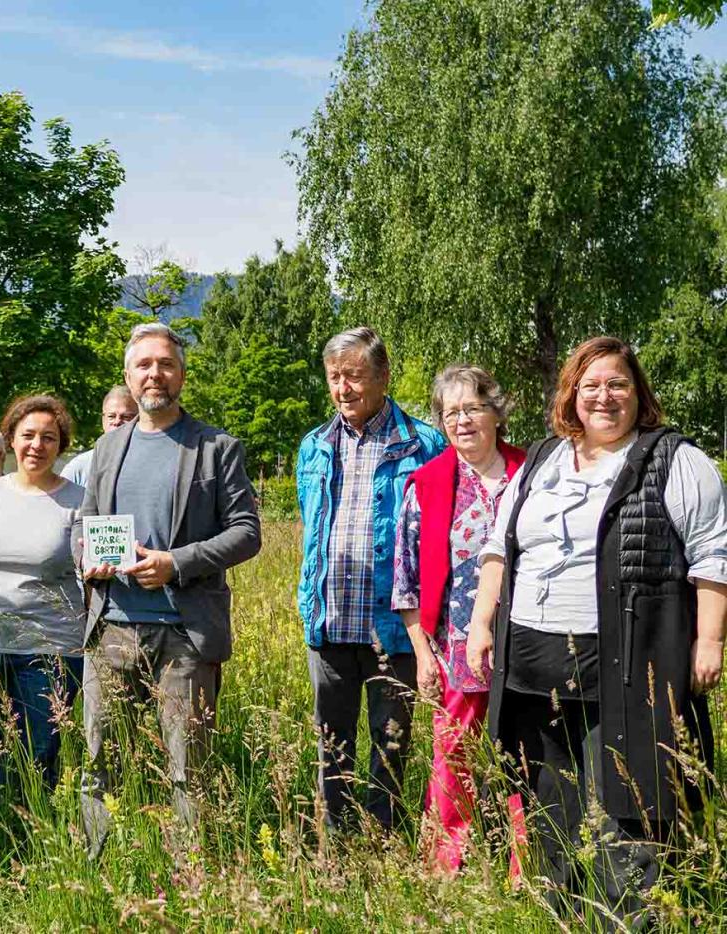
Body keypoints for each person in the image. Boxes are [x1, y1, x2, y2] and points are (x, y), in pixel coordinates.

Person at [466, 337, 726, 922]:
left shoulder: (675, 459)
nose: (604, 397)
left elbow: (714, 555)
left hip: (624, 661)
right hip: (531, 658)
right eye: (591, 386)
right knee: (547, 803)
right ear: (571, 396)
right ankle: (561, 912)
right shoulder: (543, 459)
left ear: (638, 393)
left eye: (618, 384)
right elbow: (499, 548)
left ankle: (635, 918)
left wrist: (708, 640)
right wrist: (482, 623)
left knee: (627, 802)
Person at [76, 322, 261, 856]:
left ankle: (190, 875)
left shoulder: (216, 447)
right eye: (143, 365)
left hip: (184, 635)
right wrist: (86, 558)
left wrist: (175, 563)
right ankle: (99, 864)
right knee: (98, 762)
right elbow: (83, 524)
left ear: (181, 374)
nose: (154, 374)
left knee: (188, 768)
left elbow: (247, 532)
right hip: (111, 626)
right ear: (128, 376)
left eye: (166, 364)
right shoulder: (108, 447)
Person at [295, 326, 445, 832]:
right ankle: (334, 843)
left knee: (391, 746)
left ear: (383, 377)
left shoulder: (424, 444)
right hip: (330, 623)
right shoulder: (313, 446)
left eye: (355, 377)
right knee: (330, 744)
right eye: (335, 378)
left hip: (395, 628)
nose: (344, 389)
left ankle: (382, 843)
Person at [390, 365, 524, 872]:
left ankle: (525, 867)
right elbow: (405, 581)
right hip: (457, 648)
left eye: (472, 408)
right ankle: (448, 865)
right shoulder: (425, 485)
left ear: (496, 412)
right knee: (453, 759)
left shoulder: (531, 474)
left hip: (528, 644)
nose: (462, 420)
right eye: (451, 413)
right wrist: (423, 654)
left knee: (526, 754)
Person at [0, 395, 85, 789]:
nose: (37, 445)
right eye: (28, 435)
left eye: (49, 437)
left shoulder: (79, 502)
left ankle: (33, 839)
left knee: (37, 759)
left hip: (52, 651)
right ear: (11, 439)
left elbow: (92, 573)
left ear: (61, 445)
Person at [61, 386, 138, 487]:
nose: (117, 422)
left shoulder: (149, 463)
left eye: (126, 417)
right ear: (103, 420)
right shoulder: (80, 467)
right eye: (111, 416)